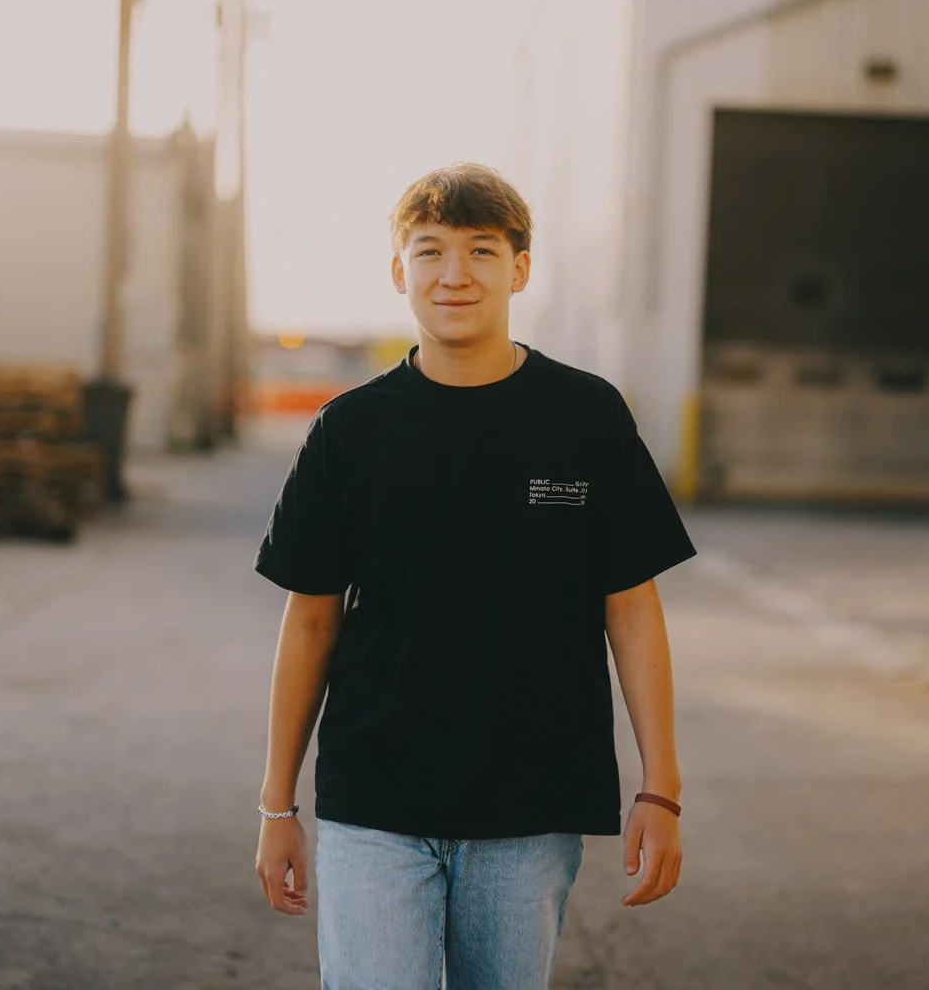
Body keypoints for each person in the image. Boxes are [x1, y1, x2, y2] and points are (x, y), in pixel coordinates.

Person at [253, 162, 696, 990]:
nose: (454, 274)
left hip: (532, 805)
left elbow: (632, 607)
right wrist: (278, 805)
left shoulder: (586, 416)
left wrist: (661, 790)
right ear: (400, 271)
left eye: (482, 251)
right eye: (430, 251)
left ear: (519, 269)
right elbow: (310, 619)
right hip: (375, 799)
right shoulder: (349, 432)